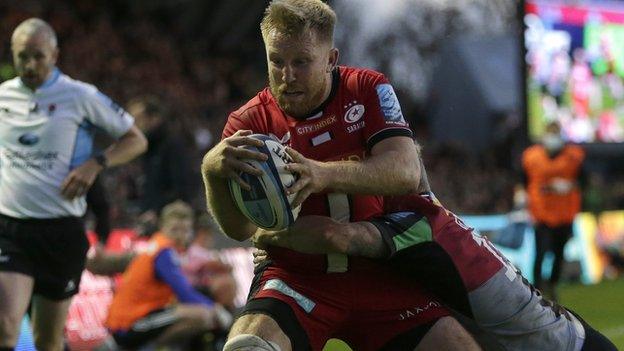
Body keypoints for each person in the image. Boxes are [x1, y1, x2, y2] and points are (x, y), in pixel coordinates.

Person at [201, 1, 486, 350]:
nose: (287, 76)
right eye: (276, 61)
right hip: (296, 279)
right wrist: (212, 172)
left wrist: (319, 174)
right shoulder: (248, 124)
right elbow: (239, 229)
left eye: (301, 62)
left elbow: (405, 172)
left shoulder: (366, 89)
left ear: (331, 60)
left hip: (382, 273)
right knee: (248, 346)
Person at [254, 151, 614, 349]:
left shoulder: (413, 225)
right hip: (548, 328)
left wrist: (271, 234)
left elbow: (338, 238)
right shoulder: (425, 215)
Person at [0, 18, 148, 351]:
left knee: (47, 341)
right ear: (13, 54)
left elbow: (135, 139)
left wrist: (96, 164)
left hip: (61, 233)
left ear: (55, 54)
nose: (30, 64)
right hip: (10, 230)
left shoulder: (79, 96)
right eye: (22, 56)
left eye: (38, 56)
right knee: (5, 328)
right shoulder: (3, 97)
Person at [103, 201, 232, 349]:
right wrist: (216, 308)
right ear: (163, 227)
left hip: (132, 317)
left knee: (193, 310)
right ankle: (152, 348)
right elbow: (185, 293)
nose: (179, 236)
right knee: (203, 316)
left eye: (184, 231)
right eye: (174, 230)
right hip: (129, 324)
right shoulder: (164, 252)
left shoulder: (157, 245)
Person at [522, 121, 585, 300]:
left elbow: (584, 181)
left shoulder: (573, 157)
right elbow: (525, 183)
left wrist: (569, 185)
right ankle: (535, 288)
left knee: (558, 253)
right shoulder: (531, 157)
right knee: (540, 252)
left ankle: (552, 285)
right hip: (541, 213)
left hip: (564, 213)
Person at [126, 95, 196, 235]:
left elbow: (182, 188)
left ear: (154, 118)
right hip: (152, 223)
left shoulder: (172, 146)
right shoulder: (147, 149)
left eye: (138, 119)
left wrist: (156, 211)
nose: (134, 125)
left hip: (171, 226)